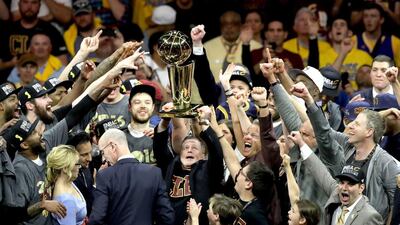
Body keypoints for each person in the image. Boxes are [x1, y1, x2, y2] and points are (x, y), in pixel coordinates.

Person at [289, 130, 384, 225]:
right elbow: (319, 170)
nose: (344, 188)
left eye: (350, 184)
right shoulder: (336, 193)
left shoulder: (370, 216)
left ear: (361, 188)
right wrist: (301, 144)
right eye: (342, 182)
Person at [153, 105, 224, 225]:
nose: (189, 150)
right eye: (185, 147)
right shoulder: (172, 166)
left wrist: (205, 122)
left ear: (203, 155)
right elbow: (159, 148)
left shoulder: (208, 169)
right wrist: (165, 120)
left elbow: (216, 151)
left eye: (194, 148)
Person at [89, 128, 174, 225]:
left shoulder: (105, 175)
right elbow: (167, 217)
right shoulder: (154, 173)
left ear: (113, 146)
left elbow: (97, 218)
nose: (104, 159)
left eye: (103, 152)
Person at [45, 145, 87, 225]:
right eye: (76, 164)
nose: (79, 167)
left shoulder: (68, 182)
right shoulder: (66, 201)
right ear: (65, 168)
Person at [123, 83, 156, 164]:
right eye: (137, 102)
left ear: (153, 107)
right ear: (129, 107)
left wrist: (160, 138)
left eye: (147, 102)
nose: (143, 106)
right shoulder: (120, 136)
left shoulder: (159, 135)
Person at [66, 129, 94, 216]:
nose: (90, 159)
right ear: (71, 153)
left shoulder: (86, 167)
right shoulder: (66, 178)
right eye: (84, 154)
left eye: (90, 152)